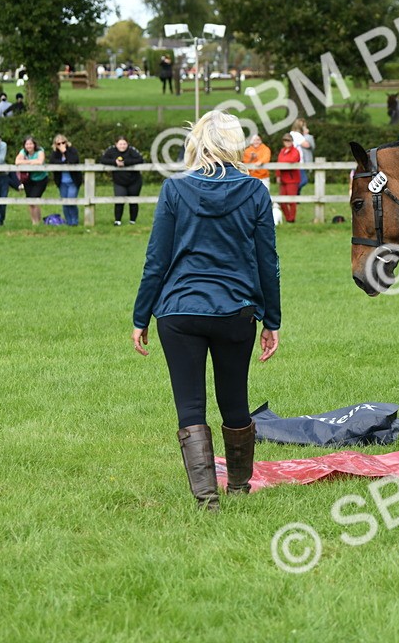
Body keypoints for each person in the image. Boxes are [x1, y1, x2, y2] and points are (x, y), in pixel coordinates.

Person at [131, 109, 281, 512]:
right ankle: (238, 488)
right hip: (236, 312)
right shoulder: (255, 191)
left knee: (190, 405)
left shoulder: (175, 189)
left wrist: (141, 316)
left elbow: (156, 259)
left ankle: (206, 500)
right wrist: (272, 320)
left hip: (179, 313)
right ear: (235, 143)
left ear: (196, 142)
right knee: (235, 401)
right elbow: (268, 261)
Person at [100, 136, 146, 225]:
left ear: (127, 144)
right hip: (119, 181)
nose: (122, 146)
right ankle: (117, 221)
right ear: (116, 144)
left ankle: (132, 221)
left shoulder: (132, 150)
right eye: (120, 144)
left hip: (134, 180)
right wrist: (115, 162)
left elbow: (140, 159)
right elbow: (102, 160)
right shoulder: (111, 151)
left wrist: (125, 163)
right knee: (119, 200)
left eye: (124, 144)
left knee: (133, 201)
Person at [48, 134, 83, 226]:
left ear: (66, 142)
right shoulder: (55, 153)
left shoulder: (72, 150)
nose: (61, 145)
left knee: (71, 201)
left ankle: (74, 221)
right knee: (65, 203)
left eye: (63, 142)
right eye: (58, 143)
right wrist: (64, 162)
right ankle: (68, 222)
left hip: (73, 181)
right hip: (62, 182)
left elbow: (73, 160)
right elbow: (52, 162)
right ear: (55, 145)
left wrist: (65, 152)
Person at [14, 136, 49, 225]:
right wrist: (31, 162)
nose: (29, 146)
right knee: (30, 201)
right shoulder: (23, 152)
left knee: (34, 199)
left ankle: (37, 221)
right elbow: (17, 161)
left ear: (34, 144)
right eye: (27, 144)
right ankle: (34, 221)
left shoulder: (40, 151)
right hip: (28, 179)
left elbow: (40, 161)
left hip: (40, 178)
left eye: (30, 144)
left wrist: (26, 161)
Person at [276, 134, 301, 223]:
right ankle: (288, 218)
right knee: (282, 201)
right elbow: (278, 163)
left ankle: (292, 219)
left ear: (292, 141)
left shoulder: (295, 151)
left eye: (289, 140)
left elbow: (293, 160)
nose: (287, 142)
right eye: (285, 140)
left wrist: (283, 163)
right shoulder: (282, 151)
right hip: (283, 179)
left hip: (292, 179)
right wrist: (278, 175)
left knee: (292, 200)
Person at [290, 119, 314, 193]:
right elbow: (307, 145)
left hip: (297, 161)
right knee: (303, 180)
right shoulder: (297, 135)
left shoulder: (292, 134)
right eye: (304, 126)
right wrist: (306, 135)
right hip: (298, 162)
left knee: (298, 180)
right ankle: (291, 192)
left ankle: (296, 198)